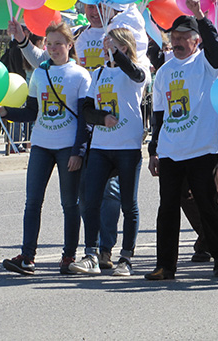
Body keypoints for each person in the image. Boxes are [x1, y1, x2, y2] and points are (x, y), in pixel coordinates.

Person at [146, 0, 218, 280]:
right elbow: (159, 115)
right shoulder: (164, 72)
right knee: (167, 209)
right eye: (175, 37)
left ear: (196, 41)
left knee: (208, 206)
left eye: (184, 37)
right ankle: (165, 265)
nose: (178, 42)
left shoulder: (206, 64)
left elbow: (216, 46)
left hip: (202, 149)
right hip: (171, 150)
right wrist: (154, 150)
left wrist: (200, 15)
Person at [0, 22, 91, 275]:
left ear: (70, 45)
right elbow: (32, 111)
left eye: (58, 43)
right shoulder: (40, 73)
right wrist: (6, 112)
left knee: (69, 203)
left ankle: (68, 257)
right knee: (32, 202)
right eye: (49, 44)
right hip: (41, 144)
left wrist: (78, 152)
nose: (52, 48)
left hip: (67, 147)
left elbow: (84, 119)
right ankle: (27, 257)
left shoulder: (80, 75)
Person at [70, 28, 149, 276]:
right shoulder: (98, 73)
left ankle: (126, 258)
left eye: (113, 45)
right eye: (107, 45)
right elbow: (87, 110)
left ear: (124, 47)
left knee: (128, 204)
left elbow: (135, 74)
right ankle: (91, 254)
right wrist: (102, 118)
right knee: (91, 201)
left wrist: (118, 53)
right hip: (101, 147)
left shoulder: (138, 70)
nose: (106, 49)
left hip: (127, 146)